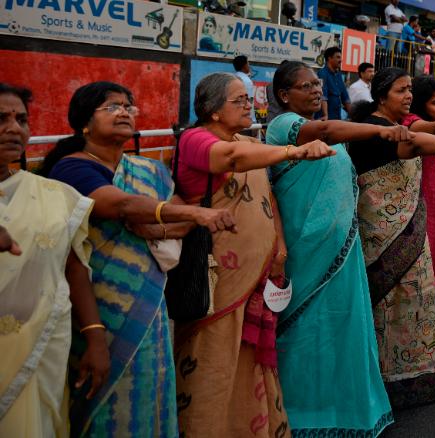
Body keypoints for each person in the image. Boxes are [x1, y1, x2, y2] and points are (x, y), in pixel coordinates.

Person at [40, 81, 233, 436]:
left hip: (149, 304)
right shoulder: (72, 169)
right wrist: (187, 216)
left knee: (152, 388)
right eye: (112, 107)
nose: (125, 112)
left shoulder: (148, 171)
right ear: (84, 122)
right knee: (102, 397)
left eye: (129, 106)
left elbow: (175, 217)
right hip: (98, 307)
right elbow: (122, 205)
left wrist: (156, 225)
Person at [267, 62, 429, 435]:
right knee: (308, 331)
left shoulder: (330, 127)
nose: (315, 90)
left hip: (343, 247)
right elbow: (325, 129)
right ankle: (305, 410)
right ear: (283, 95)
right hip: (308, 250)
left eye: (317, 84)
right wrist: (380, 130)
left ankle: (348, 407)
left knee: (345, 327)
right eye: (306, 86)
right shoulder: (283, 126)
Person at [172, 72, 334, 437]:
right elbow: (230, 157)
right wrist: (295, 150)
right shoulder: (196, 140)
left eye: (249, 99)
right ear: (213, 111)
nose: (249, 105)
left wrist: (278, 243)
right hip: (216, 278)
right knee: (214, 358)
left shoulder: (249, 141)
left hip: (257, 274)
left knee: (250, 359)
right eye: (239, 100)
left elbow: (267, 196)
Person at [348, 68, 435, 408]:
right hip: (382, 236)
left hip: (410, 232)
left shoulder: (401, 125)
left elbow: (432, 130)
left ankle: (409, 375)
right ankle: (382, 381)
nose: (408, 95)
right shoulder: (377, 130)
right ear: (382, 97)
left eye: (410, 89)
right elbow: (418, 142)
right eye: (401, 90)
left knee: (414, 302)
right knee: (388, 306)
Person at [0, 84, 108, 437]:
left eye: (21, 119)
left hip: (43, 347)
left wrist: (94, 337)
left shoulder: (52, 194)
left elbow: (72, 265)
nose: (14, 128)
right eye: (1, 119)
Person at [318, 47, 351, 121]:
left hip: (337, 117)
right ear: (329, 58)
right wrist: (325, 115)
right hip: (325, 119)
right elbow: (323, 96)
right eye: (338, 57)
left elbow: (345, 97)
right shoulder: (322, 74)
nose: (341, 60)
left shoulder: (339, 75)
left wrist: (354, 116)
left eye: (340, 57)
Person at [233, 55, 256, 123]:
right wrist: (253, 121)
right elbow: (249, 101)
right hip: (245, 120)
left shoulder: (232, 78)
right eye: (248, 63)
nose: (249, 66)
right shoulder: (247, 81)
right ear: (245, 65)